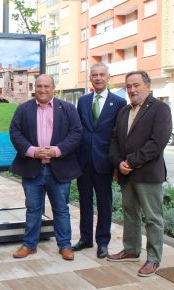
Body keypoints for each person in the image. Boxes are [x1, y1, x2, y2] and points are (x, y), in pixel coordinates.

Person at [10, 74, 82, 260]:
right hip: (32, 169)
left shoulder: (67, 108)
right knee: (33, 209)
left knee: (61, 209)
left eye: (46, 86)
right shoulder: (23, 109)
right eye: (39, 86)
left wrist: (57, 150)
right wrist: (32, 151)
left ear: (53, 88)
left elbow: (76, 133)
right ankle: (29, 245)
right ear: (35, 88)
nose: (42, 90)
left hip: (59, 169)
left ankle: (65, 246)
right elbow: (15, 132)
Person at [108, 71, 172, 277]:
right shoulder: (124, 112)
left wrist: (131, 161)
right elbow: (115, 140)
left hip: (148, 173)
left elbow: (158, 142)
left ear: (147, 85)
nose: (132, 90)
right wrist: (118, 162)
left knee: (153, 217)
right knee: (130, 213)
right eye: (128, 86)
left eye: (136, 85)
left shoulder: (160, 109)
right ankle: (131, 249)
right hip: (126, 173)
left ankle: (153, 258)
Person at [73, 63, 127, 259]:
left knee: (104, 204)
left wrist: (116, 164)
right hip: (84, 162)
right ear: (90, 78)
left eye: (101, 75)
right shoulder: (83, 101)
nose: (98, 78)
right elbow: (79, 131)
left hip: (104, 162)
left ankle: (102, 242)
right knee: (84, 202)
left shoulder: (119, 103)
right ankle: (86, 238)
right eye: (94, 75)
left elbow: (119, 136)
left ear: (108, 77)